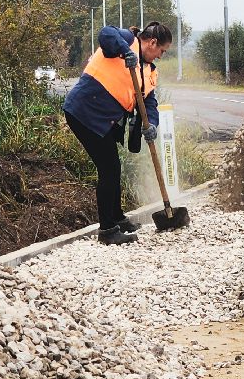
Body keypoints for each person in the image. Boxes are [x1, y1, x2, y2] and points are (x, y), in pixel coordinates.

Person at [62, 21, 173, 244]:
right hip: (84, 112)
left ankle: (117, 218)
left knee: (113, 167)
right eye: (161, 50)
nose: (161, 56)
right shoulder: (127, 40)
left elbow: (149, 102)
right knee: (109, 168)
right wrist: (125, 52)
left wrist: (151, 124)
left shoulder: (149, 70)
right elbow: (106, 33)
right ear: (152, 42)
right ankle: (107, 230)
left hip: (104, 119)